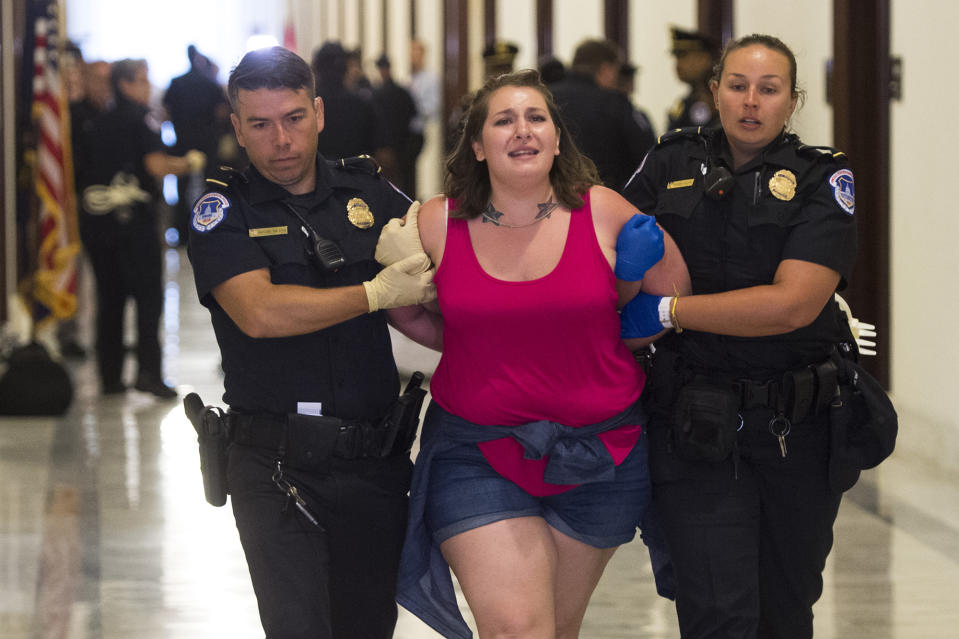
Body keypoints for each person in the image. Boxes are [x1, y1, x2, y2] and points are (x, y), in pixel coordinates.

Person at [377, 69, 687, 638]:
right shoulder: (436, 223)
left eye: (536, 118)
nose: (522, 131)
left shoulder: (604, 211)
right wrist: (481, 343)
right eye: (503, 120)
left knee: (555, 630)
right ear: (476, 144)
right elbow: (408, 311)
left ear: (557, 136)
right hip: (477, 450)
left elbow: (673, 301)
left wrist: (619, 321)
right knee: (519, 629)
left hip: (602, 450)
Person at [186, 46, 438, 639]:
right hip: (276, 465)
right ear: (237, 128)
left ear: (319, 113)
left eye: (294, 118)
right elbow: (261, 313)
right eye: (261, 124)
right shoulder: (222, 212)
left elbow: (444, 250)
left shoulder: (367, 192)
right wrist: (375, 294)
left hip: (373, 460)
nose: (282, 139)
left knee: (367, 627)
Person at [620, 34, 858, 639]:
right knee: (715, 615)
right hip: (694, 424)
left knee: (786, 612)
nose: (751, 101)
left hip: (794, 432)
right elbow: (605, 252)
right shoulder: (670, 162)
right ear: (716, 91)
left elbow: (792, 305)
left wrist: (671, 311)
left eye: (769, 89)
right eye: (737, 85)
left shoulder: (822, 178)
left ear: (792, 100)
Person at [75, 58, 202, 398]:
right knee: (147, 300)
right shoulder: (141, 119)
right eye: (144, 80)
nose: (149, 87)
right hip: (134, 226)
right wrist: (189, 163)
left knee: (110, 299)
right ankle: (148, 372)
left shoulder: (96, 121)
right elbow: (156, 165)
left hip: (99, 225)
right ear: (126, 84)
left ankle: (110, 377)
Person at [550, 39, 655, 190]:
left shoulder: (547, 97)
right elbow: (646, 156)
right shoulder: (614, 102)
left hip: (553, 196)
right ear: (606, 69)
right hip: (604, 197)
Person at [163, 45, 230, 245]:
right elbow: (221, 111)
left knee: (182, 187)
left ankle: (182, 233)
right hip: (208, 140)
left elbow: (165, 111)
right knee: (211, 185)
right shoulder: (210, 84)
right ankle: (212, 228)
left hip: (182, 140)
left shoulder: (176, 83)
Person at [311, 41, 387, 163]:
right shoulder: (363, 105)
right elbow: (381, 153)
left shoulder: (307, 107)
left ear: (316, 69)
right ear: (345, 69)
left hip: (317, 179)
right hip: (355, 178)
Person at [371, 53, 418, 196]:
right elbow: (413, 116)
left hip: (385, 148)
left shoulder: (376, 94)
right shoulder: (402, 92)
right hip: (403, 146)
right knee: (405, 186)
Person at [666, 26, 720, 130]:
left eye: (683, 56)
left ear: (704, 58)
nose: (678, 65)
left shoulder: (719, 100)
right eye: (676, 57)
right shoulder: (688, 102)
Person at [408, 40, 440, 199]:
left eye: (415, 52)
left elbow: (431, 106)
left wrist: (413, 110)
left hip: (421, 129)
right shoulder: (409, 78)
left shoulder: (431, 79)